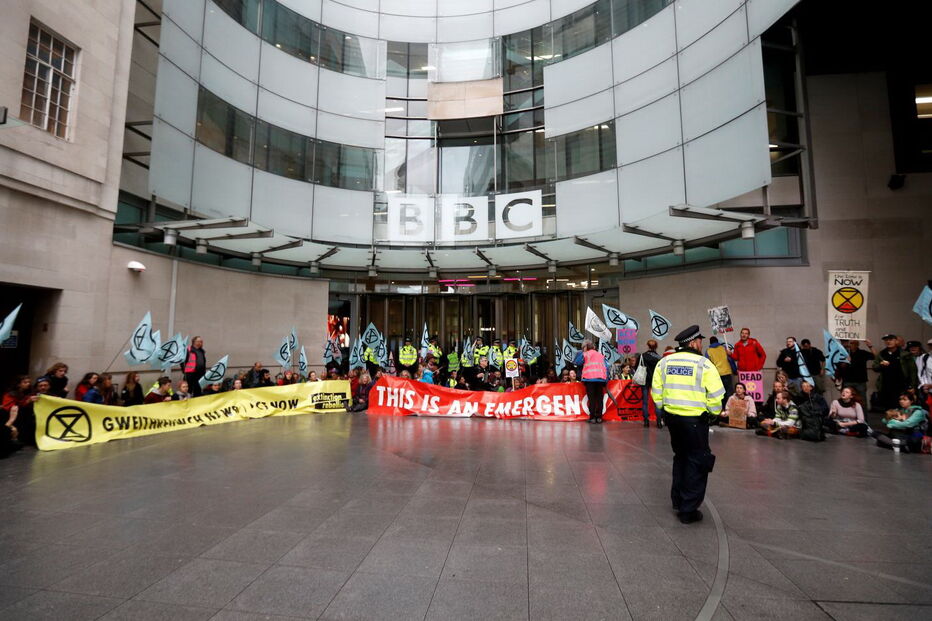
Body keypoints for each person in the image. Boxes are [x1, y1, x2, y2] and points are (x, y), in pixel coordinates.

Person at [650, 325, 724, 524]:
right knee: (697, 462)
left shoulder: (664, 362)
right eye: (700, 340)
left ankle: (678, 500)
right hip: (695, 421)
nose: (702, 344)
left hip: (673, 419)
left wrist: (663, 408)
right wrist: (712, 413)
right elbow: (717, 395)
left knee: (680, 458)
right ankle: (688, 510)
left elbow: (656, 390)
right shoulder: (704, 364)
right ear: (693, 342)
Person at [573, 340, 608, 424]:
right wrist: (606, 379)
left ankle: (592, 417)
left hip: (589, 379)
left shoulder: (585, 354)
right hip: (600, 379)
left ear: (585, 347)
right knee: (599, 399)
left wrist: (583, 351)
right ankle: (599, 417)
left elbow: (577, 362)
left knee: (592, 399)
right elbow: (606, 367)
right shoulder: (600, 355)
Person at [873, 334, 907, 410]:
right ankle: (890, 421)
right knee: (887, 408)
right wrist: (881, 365)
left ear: (896, 341)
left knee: (900, 407)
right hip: (885, 386)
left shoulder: (904, 354)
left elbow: (912, 371)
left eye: (891, 340)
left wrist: (912, 385)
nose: (888, 342)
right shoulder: (882, 354)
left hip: (900, 386)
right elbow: (875, 367)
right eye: (886, 340)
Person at [639, 340, 662, 428]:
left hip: (644, 380)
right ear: (656, 347)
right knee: (657, 401)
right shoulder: (659, 357)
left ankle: (646, 421)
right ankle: (659, 422)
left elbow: (637, 366)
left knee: (645, 402)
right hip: (656, 380)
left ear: (647, 346)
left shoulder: (643, 356)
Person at [705, 336, 734, 404]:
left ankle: (722, 408)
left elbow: (707, 364)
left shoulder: (708, 351)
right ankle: (730, 408)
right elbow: (730, 360)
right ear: (717, 341)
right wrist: (734, 370)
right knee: (729, 391)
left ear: (710, 342)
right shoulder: (724, 348)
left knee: (720, 392)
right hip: (727, 372)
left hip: (717, 375)